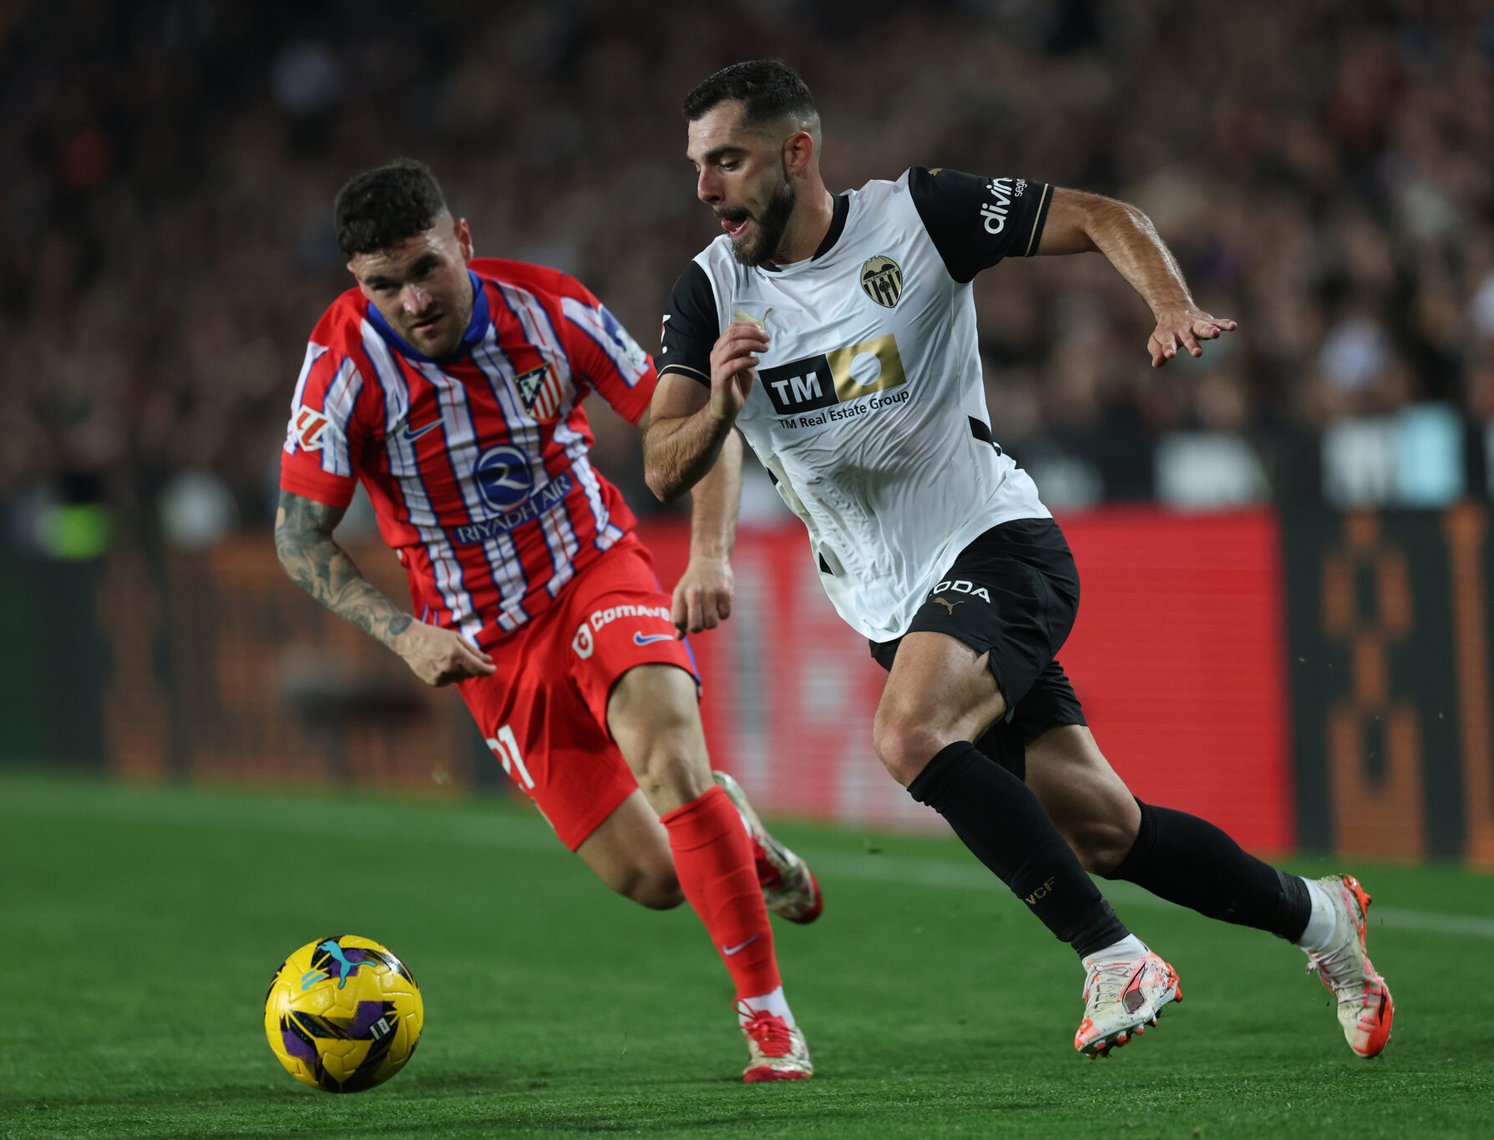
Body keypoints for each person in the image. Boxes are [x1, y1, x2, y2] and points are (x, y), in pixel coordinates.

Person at [643, 60, 1393, 1061]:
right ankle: (1319, 918)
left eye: (726, 161)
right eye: (698, 165)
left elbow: (1102, 213)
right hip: (891, 605)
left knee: (907, 735)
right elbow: (662, 458)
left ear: (797, 152)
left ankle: (1113, 959)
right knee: (1105, 829)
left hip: (996, 543)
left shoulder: (918, 215)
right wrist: (722, 424)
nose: (706, 188)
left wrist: (1167, 303)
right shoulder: (709, 291)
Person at [275, 158, 819, 1082]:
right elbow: (298, 535)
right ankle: (740, 832)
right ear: (355, 285)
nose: (411, 300)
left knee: (669, 759)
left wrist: (713, 553)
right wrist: (402, 633)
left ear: (465, 245)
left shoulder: (550, 310)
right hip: (485, 644)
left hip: (593, 568)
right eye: (383, 284)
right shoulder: (340, 369)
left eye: (425, 269)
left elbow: (688, 425)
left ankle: (770, 1023)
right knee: (651, 879)